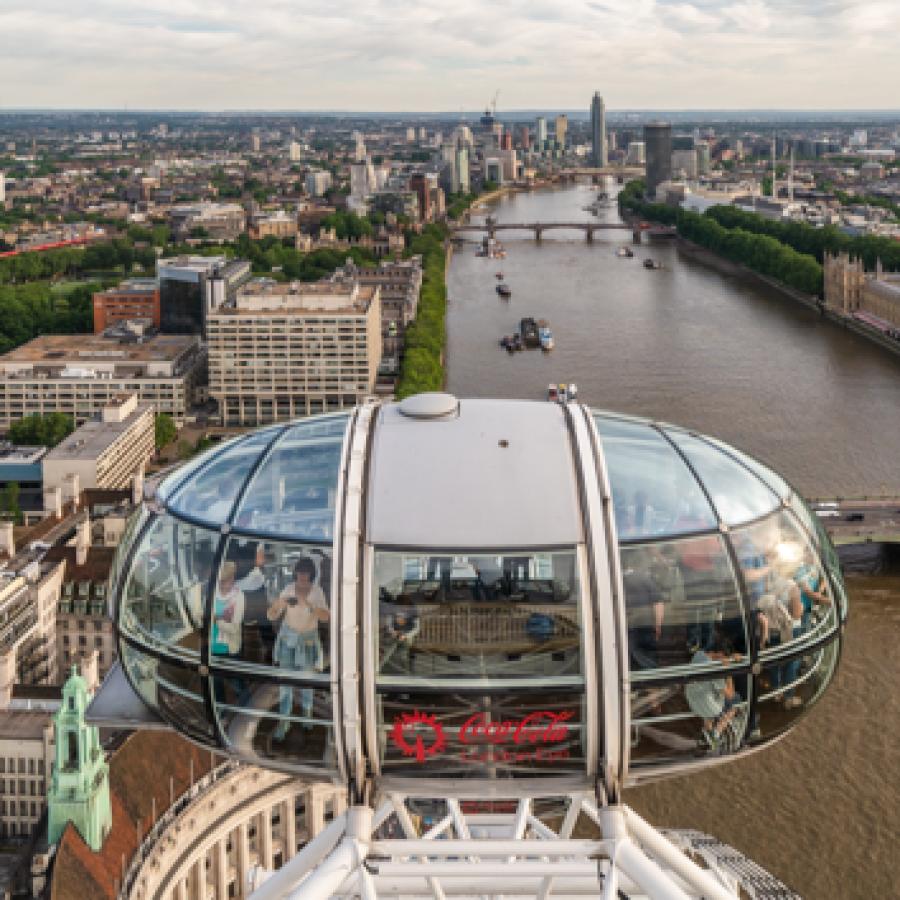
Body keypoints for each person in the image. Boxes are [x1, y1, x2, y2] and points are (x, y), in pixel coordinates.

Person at [267, 557, 329, 740]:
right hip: (288, 640)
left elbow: (326, 617)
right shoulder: (288, 589)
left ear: (311, 573)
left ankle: (306, 717)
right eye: (300, 572)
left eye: (306, 572)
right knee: (285, 682)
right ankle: (284, 721)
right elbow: (271, 616)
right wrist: (279, 604)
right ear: (296, 573)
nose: (303, 576)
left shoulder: (317, 592)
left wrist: (309, 605)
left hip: (308, 642)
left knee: (307, 682)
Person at [211, 561, 244, 659]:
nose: (231, 580)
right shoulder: (211, 593)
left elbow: (234, 628)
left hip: (229, 649)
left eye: (232, 577)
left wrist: (216, 620)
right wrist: (220, 618)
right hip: (210, 647)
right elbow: (201, 617)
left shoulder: (239, 596)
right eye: (226, 579)